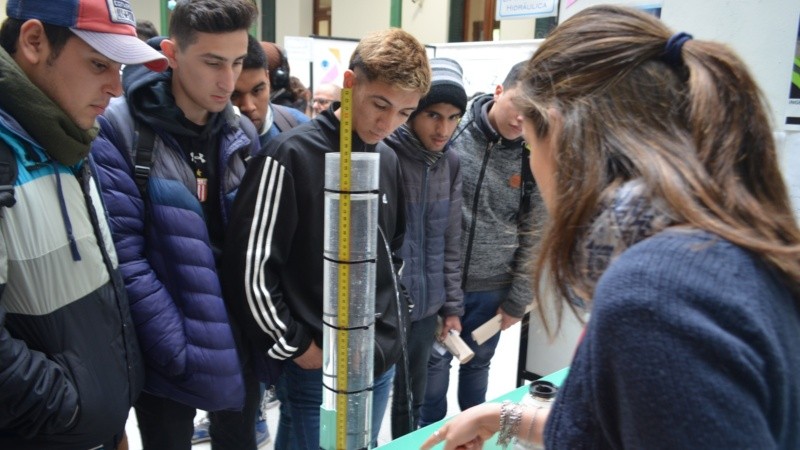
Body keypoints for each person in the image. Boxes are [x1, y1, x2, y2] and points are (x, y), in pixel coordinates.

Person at [422, 5, 800, 450]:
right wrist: (508, 418)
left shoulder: (653, 296)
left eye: (529, 142)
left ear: (557, 129)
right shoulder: (710, 243)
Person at [222, 28, 431, 449]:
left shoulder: (388, 158)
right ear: (350, 85)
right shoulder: (289, 155)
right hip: (319, 367)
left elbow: (393, 252)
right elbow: (250, 270)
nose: (387, 124)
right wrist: (298, 346)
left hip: (377, 357)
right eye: (380, 105)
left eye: (405, 113)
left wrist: (392, 327)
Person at [89, 1, 261, 449]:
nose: (228, 80)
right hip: (166, 350)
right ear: (171, 53)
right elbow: (124, 256)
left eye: (238, 62)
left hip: (238, 335)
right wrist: (176, 347)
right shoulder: (119, 129)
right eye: (212, 62)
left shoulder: (240, 132)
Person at [0, 0, 167, 449]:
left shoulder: (66, 138)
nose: (115, 88)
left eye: (119, 69)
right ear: (34, 41)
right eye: (98, 64)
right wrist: (72, 409)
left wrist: (109, 418)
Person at [191, 33, 309, 448]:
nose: (249, 105)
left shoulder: (299, 131)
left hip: (285, 312)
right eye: (237, 94)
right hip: (225, 308)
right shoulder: (210, 138)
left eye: (258, 90)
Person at [419, 60, 541, 427]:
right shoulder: (452, 130)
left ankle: (476, 432)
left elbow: (537, 232)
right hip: (440, 283)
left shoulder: (534, 154)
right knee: (433, 373)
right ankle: (432, 436)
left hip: (493, 289)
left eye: (531, 114)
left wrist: (518, 300)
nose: (520, 120)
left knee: (478, 368)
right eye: (517, 106)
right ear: (499, 91)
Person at [384, 57, 467, 438]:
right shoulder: (385, 153)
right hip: (381, 307)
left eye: (453, 118)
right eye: (433, 114)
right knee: (365, 398)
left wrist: (451, 306)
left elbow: (451, 242)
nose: (443, 128)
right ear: (413, 111)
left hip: (424, 308)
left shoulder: (450, 163)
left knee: (411, 400)